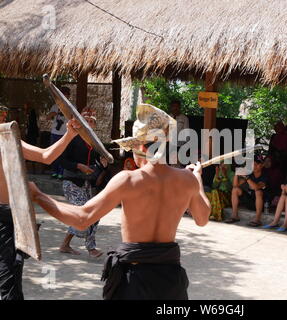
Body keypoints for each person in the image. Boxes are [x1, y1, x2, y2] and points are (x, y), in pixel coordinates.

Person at [30, 104, 211, 300]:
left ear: (141, 147)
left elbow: (82, 218)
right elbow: (202, 219)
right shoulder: (187, 180)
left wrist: (38, 196)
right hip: (170, 281)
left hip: (134, 279)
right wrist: (198, 180)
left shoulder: (128, 180)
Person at [0, 105, 78, 300]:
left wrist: (68, 135)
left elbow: (46, 156)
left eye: (2, 114)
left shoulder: (8, 139)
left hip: (9, 217)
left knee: (8, 281)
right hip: (7, 218)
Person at [58, 108, 104, 258]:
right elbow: (61, 160)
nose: (89, 123)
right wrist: (78, 166)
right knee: (83, 214)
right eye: (86, 121)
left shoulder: (95, 142)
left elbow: (97, 164)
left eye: (92, 121)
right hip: (71, 181)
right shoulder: (71, 138)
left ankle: (68, 245)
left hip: (87, 184)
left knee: (95, 214)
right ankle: (89, 249)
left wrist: (101, 165)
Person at [225, 155, 267, 227]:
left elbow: (256, 187)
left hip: (262, 205)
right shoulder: (250, 174)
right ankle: (235, 216)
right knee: (235, 190)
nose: (254, 166)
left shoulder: (265, 176)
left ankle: (257, 219)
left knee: (258, 192)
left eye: (257, 164)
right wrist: (237, 173)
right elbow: (235, 185)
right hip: (249, 201)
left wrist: (246, 177)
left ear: (262, 165)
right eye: (253, 164)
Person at [46, 87, 71, 179]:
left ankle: (61, 172)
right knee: (53, 152)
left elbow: (74, 118)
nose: (64, 97)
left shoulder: (72, 106)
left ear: (68, 96)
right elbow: (47, 117)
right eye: (62, 95)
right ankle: (54, 171)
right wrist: (54, 113)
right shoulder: (55, 106)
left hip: (65, 133)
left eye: (66, 95)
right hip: (55, 133)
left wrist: (66, 111)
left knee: (63, 153)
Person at [169, 100, 189, 166]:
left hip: (180, 145)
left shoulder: (184, 118)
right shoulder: (167, 117)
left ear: (179, 107)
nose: (175, 108)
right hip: (169, 145)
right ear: (171, 107)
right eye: (173, 106)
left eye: (177, 106)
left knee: (178, 165)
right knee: (170, 165)